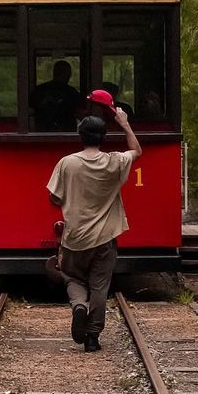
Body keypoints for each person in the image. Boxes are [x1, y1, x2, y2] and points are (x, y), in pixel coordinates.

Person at [46, 104, 142, 352]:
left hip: (74, 237)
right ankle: (92, 337)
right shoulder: (114, 162)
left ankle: (78, 305)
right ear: (103, 138)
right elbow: (136, 151)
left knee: (72, 277)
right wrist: (123, 122)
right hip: (104, 239)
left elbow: (54, 199)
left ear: (80, 135)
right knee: (100, 285)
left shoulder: (66, 163)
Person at [31, 59, 82, 131]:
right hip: (66, 133)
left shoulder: (40, 90)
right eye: (67, 73)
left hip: (43, 132)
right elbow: (79, 111)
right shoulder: (72, 92)